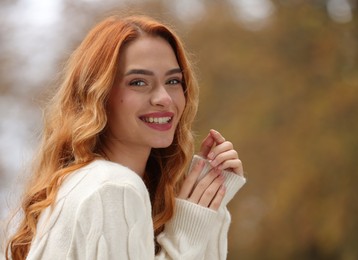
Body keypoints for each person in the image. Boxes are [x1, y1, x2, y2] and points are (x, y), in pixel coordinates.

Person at [5, 14, 246, 259]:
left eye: (173, 80)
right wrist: (189, 232)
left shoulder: (88, 184)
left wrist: (207, 207)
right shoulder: (114, 187)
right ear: (98, 96)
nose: (164, 98)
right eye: (139, 82)